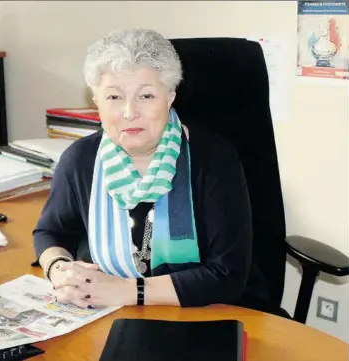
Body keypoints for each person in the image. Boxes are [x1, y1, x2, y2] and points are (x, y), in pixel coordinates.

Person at [33, 28, 278, 314]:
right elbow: (50, 232)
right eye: (114, 97)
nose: (129, 112)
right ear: (96, 102)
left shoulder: (213, 159)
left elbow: (228, 276)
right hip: (113, 315)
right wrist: (58, 268)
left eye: (146, 96)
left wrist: (125, 290)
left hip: (208, 315)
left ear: (170, 97)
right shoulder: (81, 160)